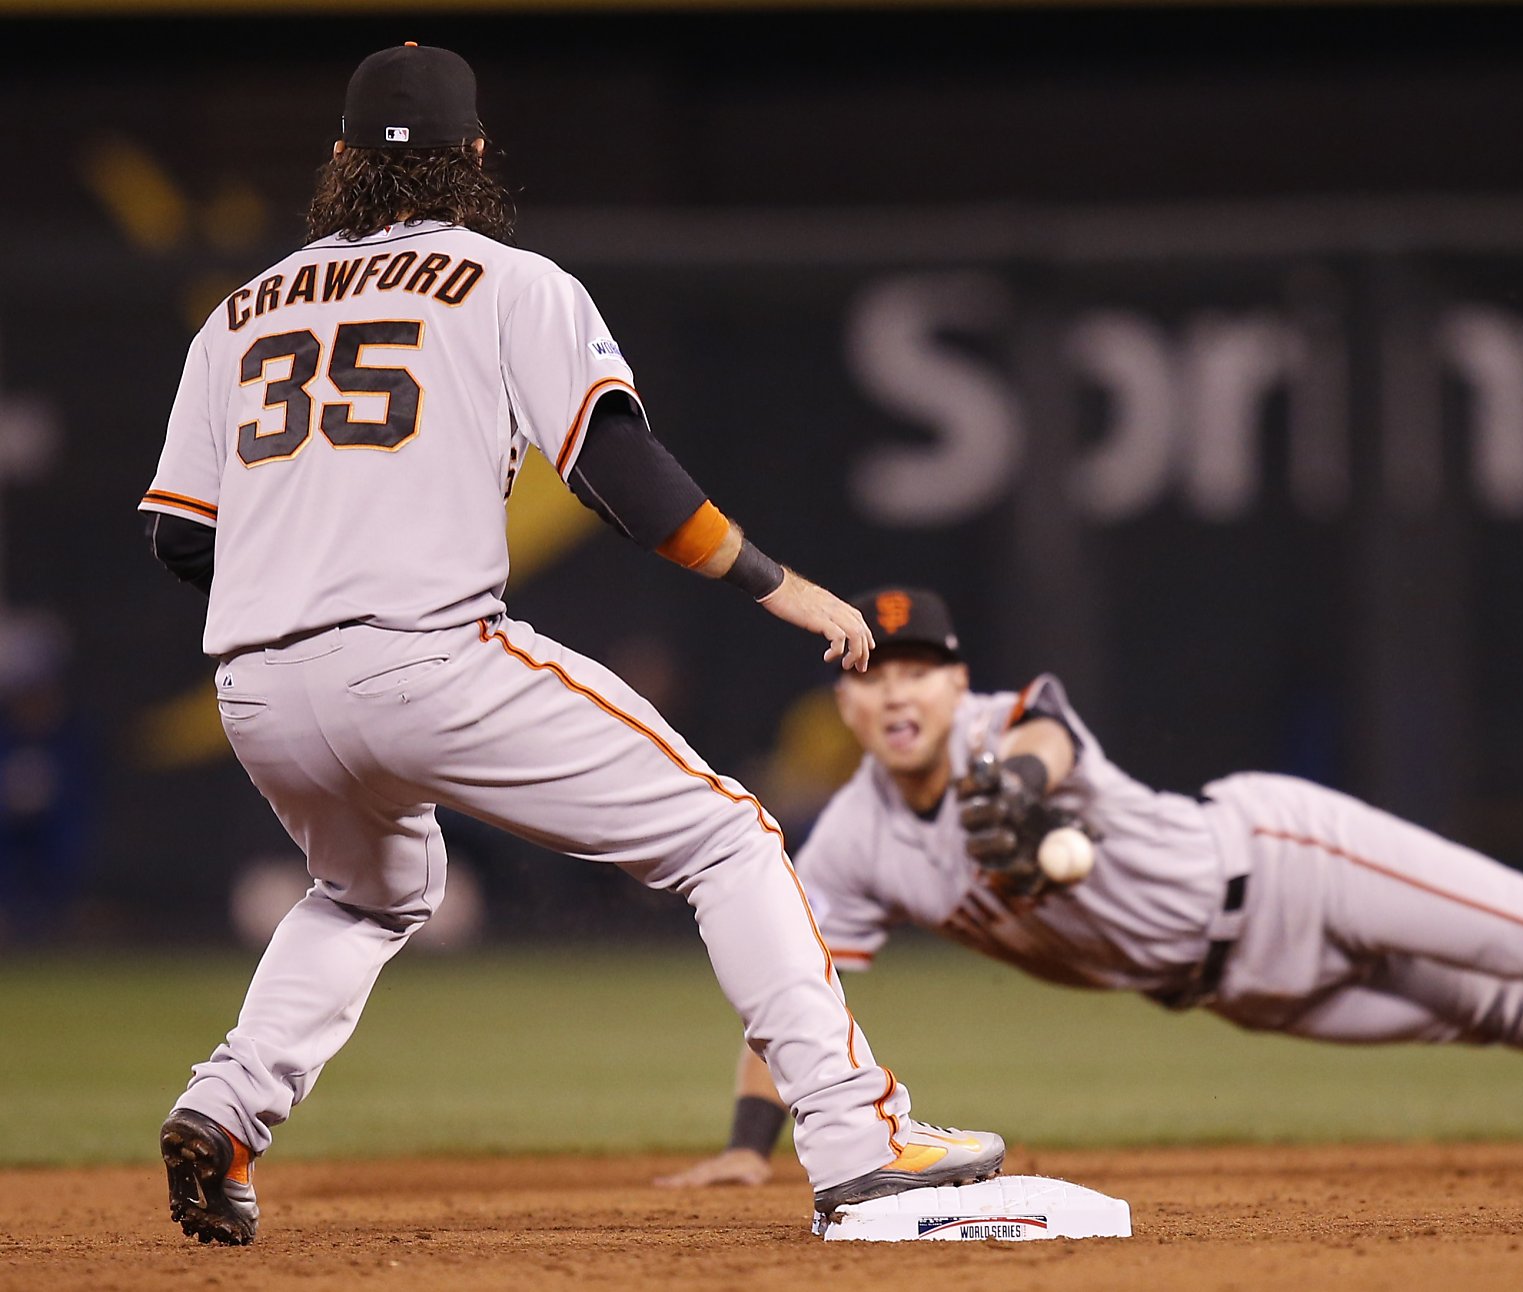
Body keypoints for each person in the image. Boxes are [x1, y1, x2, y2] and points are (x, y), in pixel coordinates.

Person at [138, 45, 1001, 1246]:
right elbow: (621, 477)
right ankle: (860, 1135)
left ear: (338, 162)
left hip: (263, 691)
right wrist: (781, 585)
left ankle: (222, 1108)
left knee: (369, 889)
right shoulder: (506, 281)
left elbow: (182, 541)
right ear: (477, 158)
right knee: (728, 836)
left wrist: (311, 558)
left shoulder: (237, 313)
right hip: (427, 656)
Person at [663, 585, 1523, 1190]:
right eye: (873, 671)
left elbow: (1048, 742)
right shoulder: (846, 845)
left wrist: (1027, 792)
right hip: (1241, 989)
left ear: (957, 680)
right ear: (843, 692)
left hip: (1290, 867)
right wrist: (744, 1149)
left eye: (921, 668)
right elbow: (795, 991)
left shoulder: (1011, 726)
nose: (897, 690)